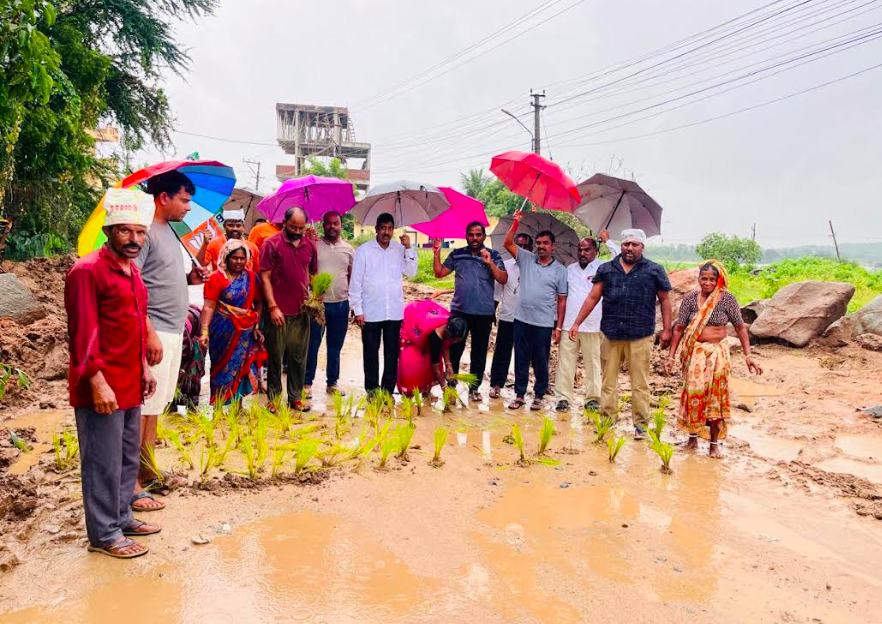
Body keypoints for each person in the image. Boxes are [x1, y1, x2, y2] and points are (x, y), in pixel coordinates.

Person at [65, 188, 159, 559]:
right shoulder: (87, 272)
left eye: (140, 232)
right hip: (101, 385)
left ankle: (122, 516)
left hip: (131, 379)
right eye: (125, 231)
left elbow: (133, 325)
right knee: (101, 460)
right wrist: (97, 381)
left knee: (124, 457)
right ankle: (104, 534)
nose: (134, 240)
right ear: (109, 231)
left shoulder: (132, 272)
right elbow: (83, 332)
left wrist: (145, 367)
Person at [133, 170, 208, 512]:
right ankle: (132, 483)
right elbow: (133, 287)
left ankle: (147, 469)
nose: (188, 207)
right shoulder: (143, 231)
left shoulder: (170, 233)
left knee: (155, 406)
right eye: (184, 199)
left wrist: (190, 277)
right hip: (156, 331)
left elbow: (161, 277)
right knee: (141, 408)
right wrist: (148, 332)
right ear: (163, 197)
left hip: (172, 329)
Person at [568, 228, 672, 439]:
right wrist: (577, 322)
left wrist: (667, 329)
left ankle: (641, 425)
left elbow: (665, 300)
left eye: (634, 244)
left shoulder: (654, 270)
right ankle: (607, 420)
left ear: (642, 247)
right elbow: (592, 298)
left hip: (640, 335)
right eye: (626, 244)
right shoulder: (607, 269)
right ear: (621, 246)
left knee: (640, 383)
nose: (629, 248)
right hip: (611, 333)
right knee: (608, 381)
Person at [664, 260, 762, 457]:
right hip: (695, 354)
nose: (707, 283)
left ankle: (713, 444)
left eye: (712, 279)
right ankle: (692, 439)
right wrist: (671, 356)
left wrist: (748, 355)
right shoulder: (691, 299)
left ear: (719, 280)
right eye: (704, 278)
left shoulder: (726, 299)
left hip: (718, 354)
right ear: (698, 278)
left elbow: (740, 327)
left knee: (715, 398)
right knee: (694, 395)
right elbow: (680, 328)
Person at [431, 222, 507, 402]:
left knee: (479, 353)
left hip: (483, 313)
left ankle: (474, 389)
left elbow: (503, 279)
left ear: (484, 236)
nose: (474, 238)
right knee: (455, 350)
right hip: (460, 312)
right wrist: (436, 254)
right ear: (466, 236)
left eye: (478, 234)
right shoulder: (458, 254)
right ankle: (452, 385)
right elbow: (439, 273)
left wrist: (490, 264)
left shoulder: (493, 255)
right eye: (471, 234)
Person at [503, 210, 568, 410]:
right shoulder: (526, 258)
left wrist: (558, 328)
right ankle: (520, 395)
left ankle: (539, 394)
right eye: (538, 243)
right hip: (522, 319)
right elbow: (507, 243)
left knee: (541, 360)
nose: (541, 246)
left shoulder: (560, 270)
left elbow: (562, 300)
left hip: (543, 323)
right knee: (520, 358)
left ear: (552, 246)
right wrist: (515, 223)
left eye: (545, 243)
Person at [349, 212, 417, 395]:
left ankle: (387, 391)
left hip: (393, 312)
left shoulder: (399, 249)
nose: (386, 232)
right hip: (370, 311)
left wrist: (408, 247)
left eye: (389, 228)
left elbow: (411, 273)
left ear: (393, 230)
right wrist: (358, 310)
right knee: (371, 353)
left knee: (392, 354)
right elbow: (355, 283)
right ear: (376, 229)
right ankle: (372, 391)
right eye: (383, 228)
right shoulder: (364, 251)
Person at [554, 232, 620, 412]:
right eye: (580, 249)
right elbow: (562, 297)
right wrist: (558, 325)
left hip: (593, 324)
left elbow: (619, 257)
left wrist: (608, 239)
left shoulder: (603, 268)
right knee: (565, 362)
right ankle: (563, 398)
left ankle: (592, 398)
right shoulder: (570, 269)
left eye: (587, 250)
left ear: (596, 251)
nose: (583, 253)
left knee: (593, 362)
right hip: (569, 324)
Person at [260, 207, 318, 411]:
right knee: (275, 356)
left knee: (299, 356)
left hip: (302, 311)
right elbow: (264, 277)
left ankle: (295, 398)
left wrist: (316, 298)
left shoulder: (309, 245)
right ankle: (273, 399)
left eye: (302, 227)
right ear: (284, 223)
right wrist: (272, 306)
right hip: (278, 311)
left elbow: (312, 275)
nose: (298, 231)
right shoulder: (271, 243)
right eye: (294, 226)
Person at [197, 240, 266, 405]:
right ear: (226, 258)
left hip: (244, 332)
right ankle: (219, 406)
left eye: (243, 258)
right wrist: (204, 332)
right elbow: (208, 307)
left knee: (241, 367)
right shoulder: (216, 278)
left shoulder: (251, 277)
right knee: (219, 367)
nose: (239, 262)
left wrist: (256, 326)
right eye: (235, 258)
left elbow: (259, 304)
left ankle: (238, 405)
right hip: (221, 331)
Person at [304, 211, 355, 398]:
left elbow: (352, 276)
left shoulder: (348, 249)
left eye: (336, 223)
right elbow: (306, 271)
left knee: (335, 346)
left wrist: (353, 303)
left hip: (341, 304)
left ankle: (332, 382)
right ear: (323, 225)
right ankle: (307, 383)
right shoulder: (314, 246)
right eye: (329, 223)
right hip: (318, 305)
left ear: (341, 226)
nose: (332, 226)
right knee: (312, 344)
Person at [489, 233, 533, 399]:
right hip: (508, 316)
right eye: (518, 245)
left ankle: (521, 391)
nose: (520, 249)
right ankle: (496, 384)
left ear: (531, 248)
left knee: (525, 355)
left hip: (528, 319)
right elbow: (497, 292)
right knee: (502, 352)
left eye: (525, 246)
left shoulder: (536, 266)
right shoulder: (505, 266)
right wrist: (492, 311)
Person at [397, 300, 468, 395]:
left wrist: (448, 364)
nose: (455, 342)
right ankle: (411, 392)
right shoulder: (436, 338)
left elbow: (446, 345)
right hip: (412, 315)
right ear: (448, 333)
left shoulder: (451, 322)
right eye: (454, 340)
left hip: (426, 315)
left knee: (428, 357)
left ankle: (426, 391)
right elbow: (435, 369)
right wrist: (445, 388)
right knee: (416, 362)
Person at [171, 304, 205, 411]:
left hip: (197, 329)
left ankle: (191, 406)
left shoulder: (181, 331)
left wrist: (181, 372)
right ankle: (172, 404)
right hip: (182, 327)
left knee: (193, 371)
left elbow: (186, 356)